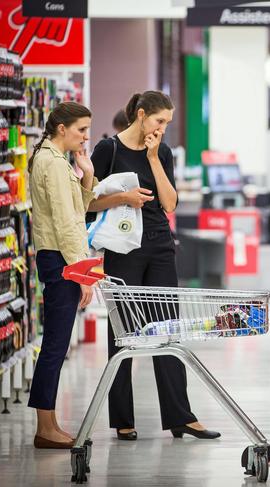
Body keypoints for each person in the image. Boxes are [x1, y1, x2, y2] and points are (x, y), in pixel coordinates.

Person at [89, 91, 220, 441]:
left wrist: (154, 159)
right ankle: (123, 419)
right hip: (123, 248)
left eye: (167, 123)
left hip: (160, 245)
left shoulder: (161, 151)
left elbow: (170, 203)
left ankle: (181, 416)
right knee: (123, 334)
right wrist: (123, 198)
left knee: (168, 330)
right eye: (160, 121)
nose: (163, 128)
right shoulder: (108, 150)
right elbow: (87, 202)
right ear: (142, 114)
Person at [28, 102, 97, 449]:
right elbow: (66, 223)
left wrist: (86, 174)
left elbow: (77, 211)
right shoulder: (51, 163)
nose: (85, 137)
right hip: (60, 260)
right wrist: (82, 271)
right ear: (61, 128)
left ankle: (49, 421)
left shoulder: (57, 160)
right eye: (81, 129)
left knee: (57, 343)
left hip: (60, 257)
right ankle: (44, 427)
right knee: (55, 345)